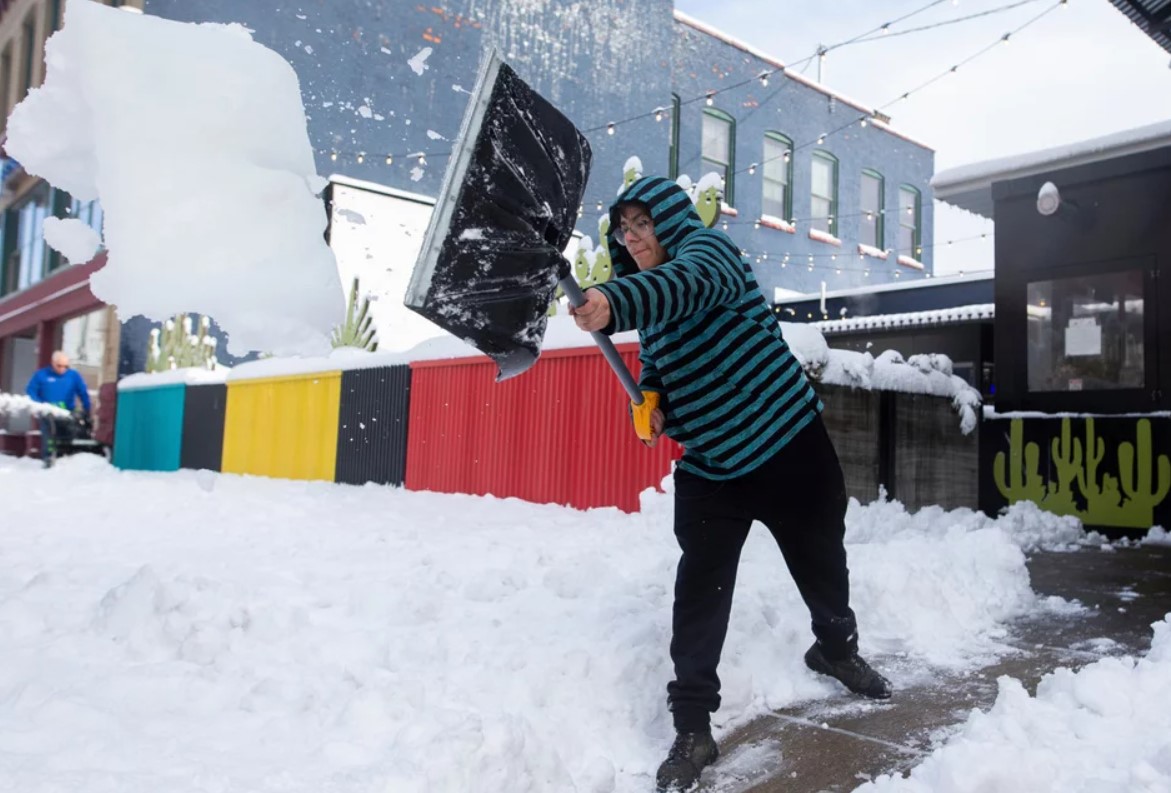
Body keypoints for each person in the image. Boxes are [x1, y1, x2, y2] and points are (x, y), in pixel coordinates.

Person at [569, 176, 891, 792]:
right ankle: (693, 726)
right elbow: (659, 359)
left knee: (822, 564)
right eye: (624, 229)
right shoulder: (653, 307)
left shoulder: (710, 256)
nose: (633, 238)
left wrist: (611, 303)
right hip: (713, 465)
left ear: (669, 219)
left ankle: (836, 649)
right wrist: (653, 402)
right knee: (700, 593)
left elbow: (682, 289)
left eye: (642, 223)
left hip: (788, 444)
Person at [26, 350, 91, 467]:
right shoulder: (41, 375)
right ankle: (48, 458)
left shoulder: (73, 376)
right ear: (52, 363)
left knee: (69, 434)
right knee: (49, 435)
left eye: (65, 366)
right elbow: (31, 391)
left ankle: (67, 458)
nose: (62, 369)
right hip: (47, 412)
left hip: (67, 412)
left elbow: (83, 392)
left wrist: (87, 409)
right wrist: (42, 405)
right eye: (59, 366)